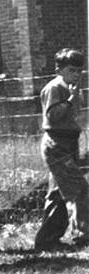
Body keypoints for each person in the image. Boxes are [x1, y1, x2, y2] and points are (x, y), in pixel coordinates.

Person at [34, 49, 89, 251]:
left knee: (58, 193)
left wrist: (75, 97)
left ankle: (47, 238)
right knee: (80, 188)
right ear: (59, 69)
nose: (76, 74)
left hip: (69, 143)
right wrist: (71, 100)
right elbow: (53, 116)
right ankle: (83, 235)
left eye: (80, 71)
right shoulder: (54, 88)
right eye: (71, 70)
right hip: (57, 144)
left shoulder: (72, 87)